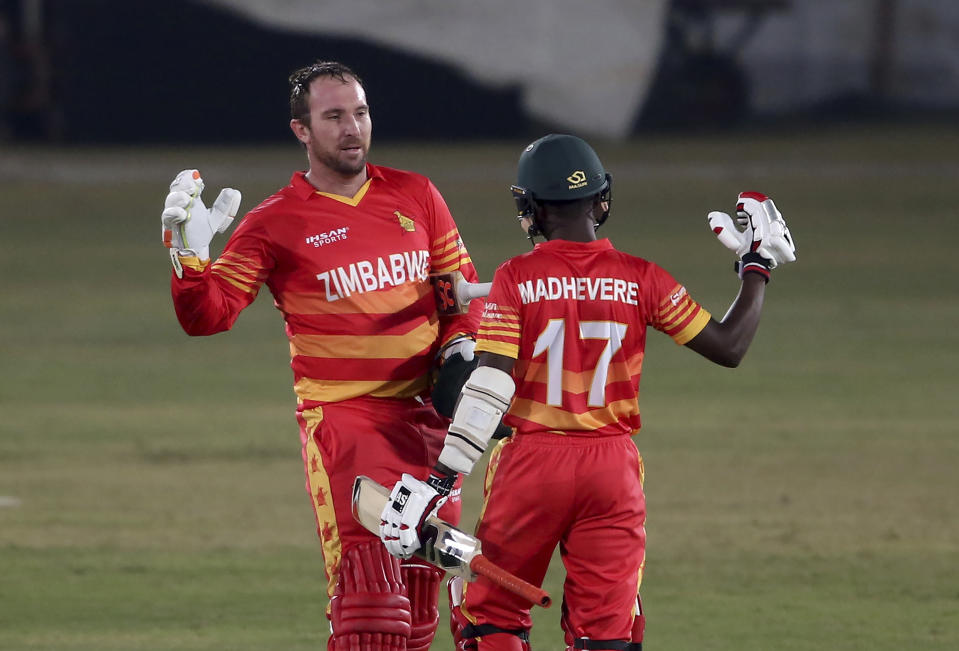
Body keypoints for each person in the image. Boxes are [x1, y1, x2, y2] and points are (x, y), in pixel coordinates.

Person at [378, 134, 796, 650]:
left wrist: (438, 483)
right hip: (612, 470)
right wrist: (756, 266)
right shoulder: (643, 278)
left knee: (492, 617)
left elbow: (488, 387)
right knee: (608, 630)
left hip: (532, 467)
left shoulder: (516, 277)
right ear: (600, 200)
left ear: (530, 206)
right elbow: (730, 346)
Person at [159, 60, 484, 650]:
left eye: (359, 113)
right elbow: (208, 317)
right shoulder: (274, 222)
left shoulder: (416, 194)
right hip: (347, 427)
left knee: (417, 615)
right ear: (301, 131)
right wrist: (190, 260)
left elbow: (460, 291)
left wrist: (460, 346)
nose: (352, 128)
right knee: (371, 612)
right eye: (333, 116)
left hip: (432, 427)